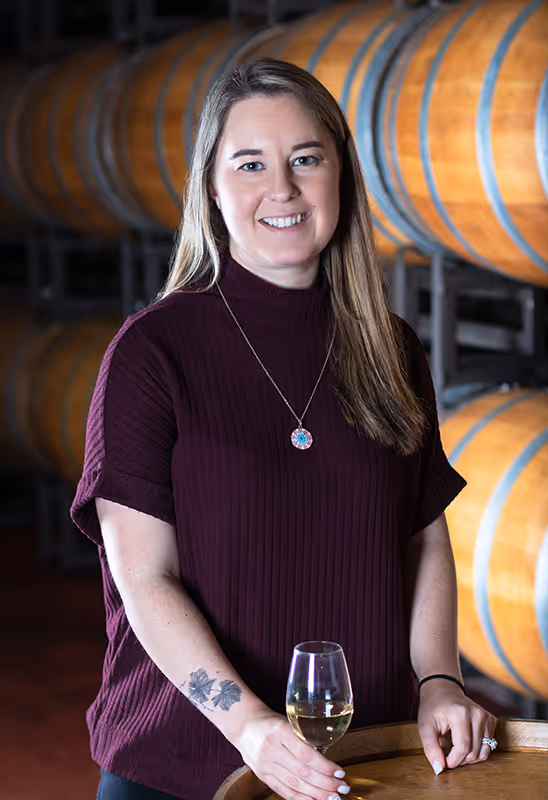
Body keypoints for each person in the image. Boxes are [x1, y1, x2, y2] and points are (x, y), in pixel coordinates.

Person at [72, 57, 497, 800]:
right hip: (185, 768)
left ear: (340, 177)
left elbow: (422, 536)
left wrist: (437, 680)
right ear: (211, 187)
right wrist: (252, 729)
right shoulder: (151, 352)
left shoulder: (389, 347)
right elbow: (144, 578)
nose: (283, 189)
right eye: (249, 164)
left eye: (306, 158)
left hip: (361, 766)